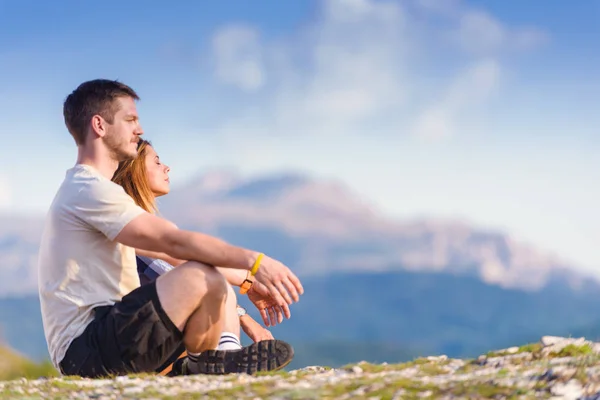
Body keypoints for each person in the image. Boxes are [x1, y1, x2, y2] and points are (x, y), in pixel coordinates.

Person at [37, 79, 304, 378]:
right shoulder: (87, 189)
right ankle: (217, 362)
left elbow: (166, 249)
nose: (139, 130)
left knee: (210, 277)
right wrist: (255, 262)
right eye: (130, 120)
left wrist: (249, 283)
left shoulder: (96, 192)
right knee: (202, 276)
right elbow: (171, 243)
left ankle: (205, 364)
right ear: (99, 125)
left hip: (113, 332)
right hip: (88, 348)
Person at [111, 139, 278, 374]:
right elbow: (187, 269)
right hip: (128, 340)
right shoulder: (127, 224)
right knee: (205, 276)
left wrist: (243, 308)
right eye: (157, 161)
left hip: (139, 332)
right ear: (133, 168)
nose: (166, 167)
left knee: (209, 281)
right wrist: (248, 281)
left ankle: (220, 359)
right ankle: (223, 360)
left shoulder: (133, 221)